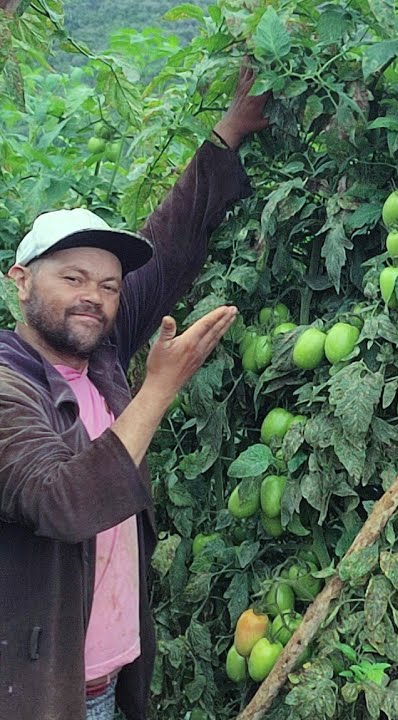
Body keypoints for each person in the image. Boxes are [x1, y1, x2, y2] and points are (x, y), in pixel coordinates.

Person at [0, 60, 270, 720]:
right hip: (36, 695)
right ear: (21, 281)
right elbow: (58, 501)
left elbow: (170, 240)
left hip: (111, 684)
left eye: (109, 285)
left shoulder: (102, 355)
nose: (93, 296)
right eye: (72, 277)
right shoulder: (7, 387)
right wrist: (158, 390)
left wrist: (230, 131)